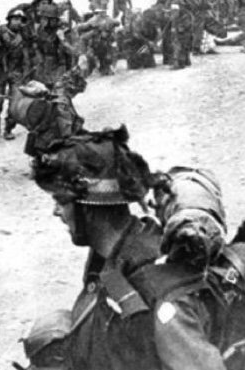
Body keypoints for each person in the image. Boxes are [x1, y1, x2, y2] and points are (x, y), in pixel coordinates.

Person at [28, 127, 229, 370]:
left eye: (61, 201)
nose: (56, 211)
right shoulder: (112, 252)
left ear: (88, 207)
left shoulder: (157, 285)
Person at [0, 10, 34, 140]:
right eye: (15, 19)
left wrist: (27, 72)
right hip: (0, 71)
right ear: (9, 20)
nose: (18, 22)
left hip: (16, 71)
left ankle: (8, 128)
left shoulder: (24, 35)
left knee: (15, 103)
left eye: (20, 20)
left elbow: (28, 53)